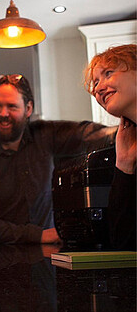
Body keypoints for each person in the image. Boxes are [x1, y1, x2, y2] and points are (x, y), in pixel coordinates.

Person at [0, 74, 116, 244]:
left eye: (12, 106)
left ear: (28, 108)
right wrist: (38, 236)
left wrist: (121, 132)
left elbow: (85, 134)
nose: (3, 113)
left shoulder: (43, 134)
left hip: (45, 261)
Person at [84, 44, 136, 250]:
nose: (98, 88)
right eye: (96, 82)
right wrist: (124, 164)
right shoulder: (127, 147)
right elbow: (123, 242)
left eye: (108, 73)